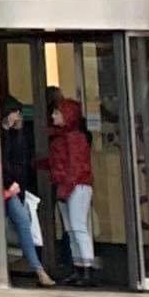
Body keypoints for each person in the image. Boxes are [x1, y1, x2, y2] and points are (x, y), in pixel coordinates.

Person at [47, 86, 97, 283]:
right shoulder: (62, 137)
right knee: (72, 229)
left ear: (67, 115)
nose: (53, 116)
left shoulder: (74, 138)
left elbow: (75, 168)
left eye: (57, 113)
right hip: (68, 187)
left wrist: (65, 190)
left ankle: (87, 269)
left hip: (76, 187)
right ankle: (80, 268)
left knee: (77, 227)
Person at [2, 93, 48, 286]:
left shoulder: (17, 134)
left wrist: (18, 131)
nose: (18, 116)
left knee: (22, 221)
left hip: (13, 188)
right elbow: (2, 159)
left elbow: (21, 158)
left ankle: (38, 270)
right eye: (16, 112)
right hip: (2, 186)